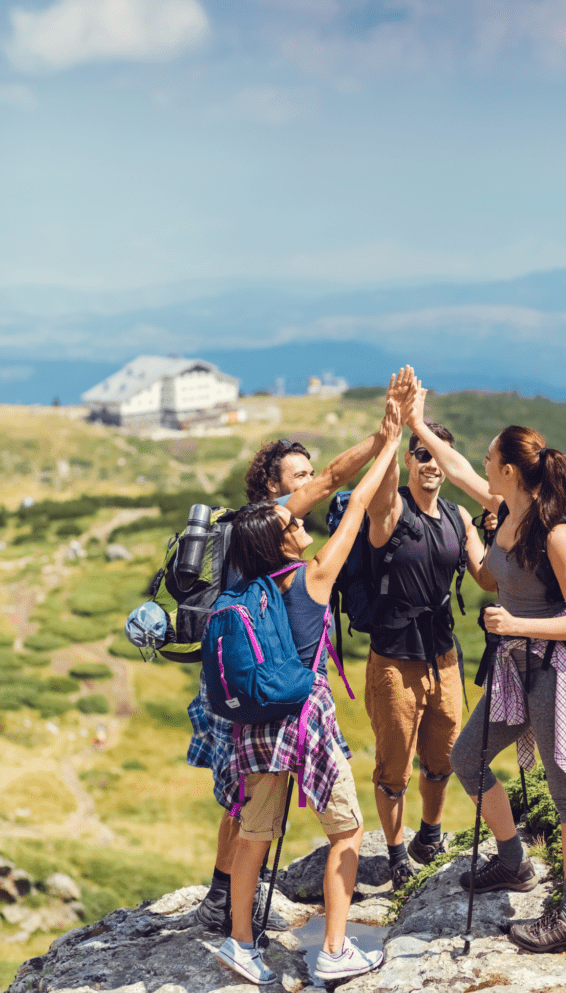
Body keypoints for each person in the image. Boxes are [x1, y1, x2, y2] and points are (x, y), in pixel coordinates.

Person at [189, 370, 414, 936]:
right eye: (299, 478)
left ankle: (228, 907)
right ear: (272, 489)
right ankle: (233, 903)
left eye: (310, 475)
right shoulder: (266, 530)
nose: (311, 484)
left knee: (247, 802)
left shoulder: (251, 537)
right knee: (256, 806)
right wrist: (388, 433)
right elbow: (346, 482)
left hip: (252, 679)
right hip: (267, 682)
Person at [415, 413, 566, 954]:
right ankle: (513, 865)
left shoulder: (556, 533)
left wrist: (515, 624)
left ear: (508, 469)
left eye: (489, 458)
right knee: (467, 759)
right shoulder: (503, 511)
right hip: (515, 670)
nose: (481, 463)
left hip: (557, 671)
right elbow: (490, 571)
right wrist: (414, 419)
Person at [364, 393, 501, 890]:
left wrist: (499, 531)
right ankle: (397, 852)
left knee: (442, 757)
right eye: (423, 455)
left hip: (443, 655)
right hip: (394, 659)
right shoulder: (392, 509)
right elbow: (377, 493)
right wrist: (397, 427)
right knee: (394, 766)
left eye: (439, 456)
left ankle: (430, 834)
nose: (432, 465)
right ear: (409, 460)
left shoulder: (459, 518)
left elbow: (487, 578)